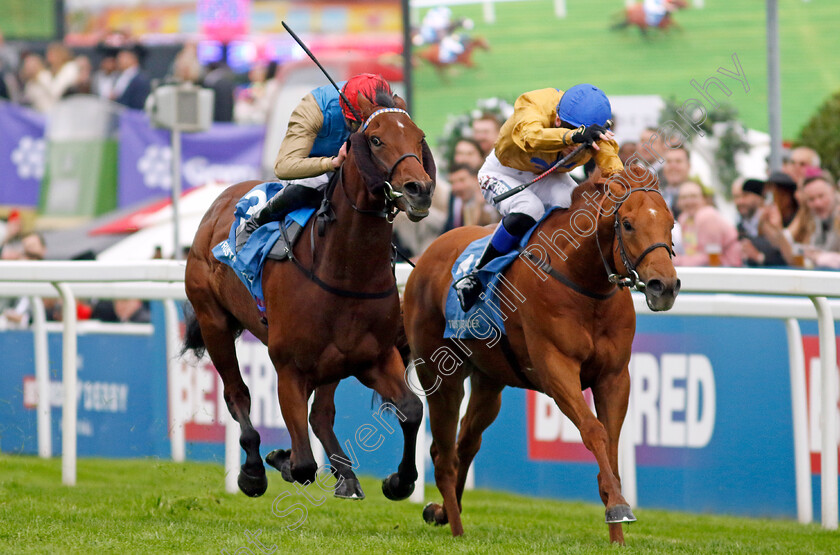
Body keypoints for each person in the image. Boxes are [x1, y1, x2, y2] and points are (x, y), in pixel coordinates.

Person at [454, 84, 620, 310]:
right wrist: (575, 136)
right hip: (503, 170)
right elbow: (530, 137)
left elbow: (615, 173)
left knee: (579, 209)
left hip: (546, 176)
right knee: (529, 208)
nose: (577, 147)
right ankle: (477, 276)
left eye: (583, 140)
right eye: (571, 131)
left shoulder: (597, 134)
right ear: (558, 120)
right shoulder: (533, 103)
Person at [243, 73, 393, 234]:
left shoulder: (389, 109)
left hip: (355, 173)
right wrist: (333, 163)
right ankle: (253, 225)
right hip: (314, 170)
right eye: (356, 123)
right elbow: (284, 166)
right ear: (344, 111)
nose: (360, 130)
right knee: (314, 183)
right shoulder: (313, 108)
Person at [672, 181, 741, 267]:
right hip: (704, 270)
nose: (688, 201)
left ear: (703, 199)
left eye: (693, 196)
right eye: (684, 197)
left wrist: (676, 260)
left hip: (729, 268)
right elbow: (690, 252)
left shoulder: (707, 216)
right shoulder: (683, 218)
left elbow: (710, 258)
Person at [732, 177, 785, 267]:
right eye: (736, 197)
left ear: (759, 196)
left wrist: (758, 257)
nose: (740, 201)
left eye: (745, 195)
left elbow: (785, 256)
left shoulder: (773, 219)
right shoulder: (740, 226)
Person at [444, 163, 501, 231]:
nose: (457, 187)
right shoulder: (464, 203)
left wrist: (480, 205)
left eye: (462, 180)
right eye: (452, 182)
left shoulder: (494, 195)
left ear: (475, 179)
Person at [112, 44, 151, 110]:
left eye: (122, 57)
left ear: (133, 58)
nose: (118, 60)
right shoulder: (119, 76)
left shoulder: (141, 79)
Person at [661, 145, 691, 217]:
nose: (673, 166)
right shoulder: (657, 195)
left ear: (689, 166)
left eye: (678, 161)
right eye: (669, 162)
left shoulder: (700, 198)